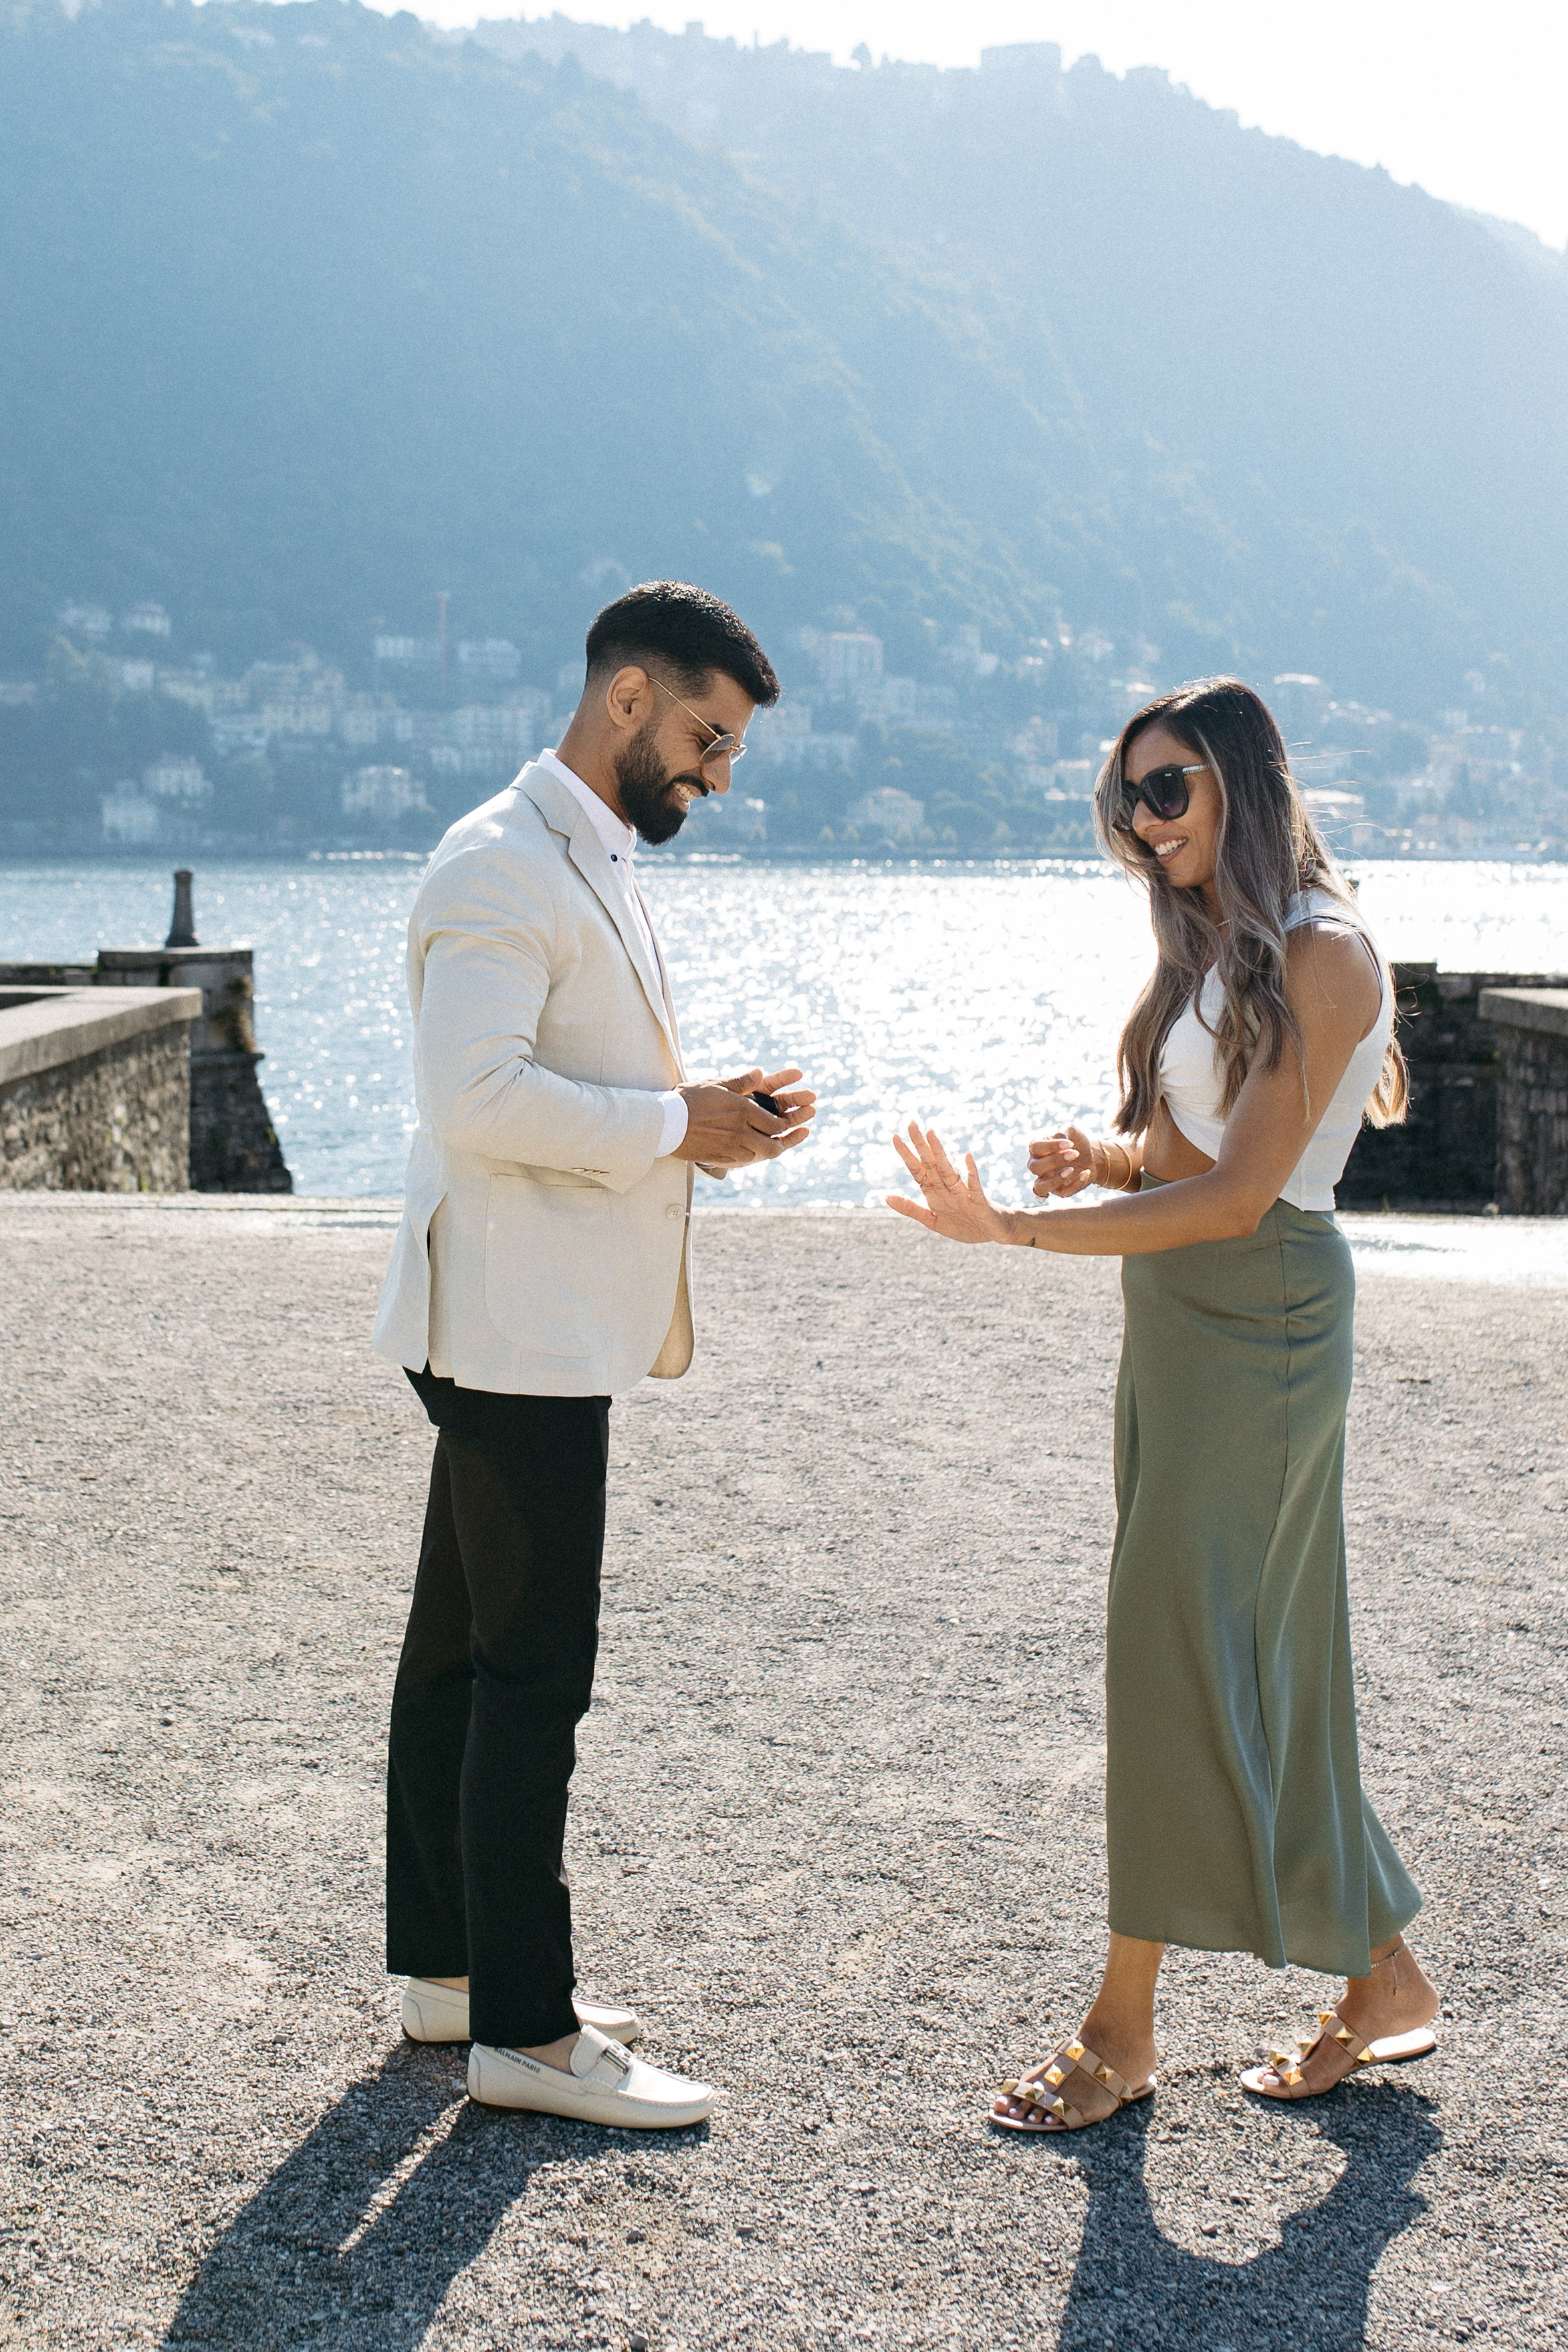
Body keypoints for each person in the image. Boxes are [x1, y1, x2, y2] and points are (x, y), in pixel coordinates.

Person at [887, 676, 1440, 2133]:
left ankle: (1122, 2026)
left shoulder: (1327, 952)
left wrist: (1013, 1230)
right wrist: (1106, 1155)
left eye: (1167, 789)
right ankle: (1385, 1976)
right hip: (1190, 1318)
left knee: (1170, 1648)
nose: (1142, 824)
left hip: (1261, 1313)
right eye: (1126, 798)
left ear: (1243, 783)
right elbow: (1193, 1153)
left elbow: (1251, 1189)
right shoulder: (1226, 948)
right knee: (1268, 1652)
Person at [373, 580, 815, 2129]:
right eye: (706, 734)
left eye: (732, 748)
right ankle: (532, 2034)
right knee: (530, 1674)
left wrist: (707, 1107)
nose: (717, 771)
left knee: (456, 1652)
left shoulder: (583, 850)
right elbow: (474, 1097)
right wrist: (672, 1127)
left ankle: (448, 1971)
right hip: (515, 1332)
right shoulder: (500, 858)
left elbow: (570, 1069)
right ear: (627, 697)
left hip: (520, 1317)